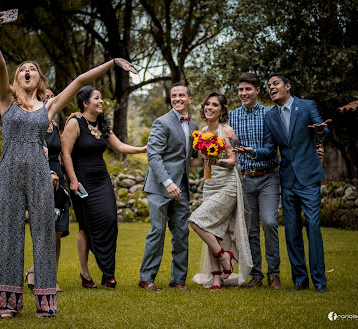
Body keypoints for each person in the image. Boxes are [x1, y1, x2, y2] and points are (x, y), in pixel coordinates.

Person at [0, 11, 137, 318]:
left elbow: (81, 80)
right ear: (17, 78)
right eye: (22, 69)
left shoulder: (49, 106)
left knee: (44, 235)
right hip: (10, 173)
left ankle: (45, 302)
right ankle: (9, 303)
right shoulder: (6, 100)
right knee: (8, 234)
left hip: (41, 174)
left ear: (40, 79)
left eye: (33, 70)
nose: (26, 71)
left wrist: (113, 63)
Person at [237, 73, 331, 293]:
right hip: (287, 179)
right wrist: (252, 152)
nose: (271, 88)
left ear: (288, 86)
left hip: (308, 178)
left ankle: (319, 280)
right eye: (269, 86)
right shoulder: (270, 116)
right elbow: (271, 149)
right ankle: (300, 279)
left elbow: (323, 131)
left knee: (313, 226)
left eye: (275, 84)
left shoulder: (307, 106)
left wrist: (321, 131)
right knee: (291, 230)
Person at [61, 86, 146, 290]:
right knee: (86, 227)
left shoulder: (101, 124)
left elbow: (119, 146)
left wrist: (143, 148)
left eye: (101, 98)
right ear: (85, 103)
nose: (101, 101)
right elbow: (65, 154)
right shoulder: (75, 123)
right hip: (82, 181)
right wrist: (73, 180)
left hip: (101, 180)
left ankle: (108, 271)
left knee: (109, 221)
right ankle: (85, 273)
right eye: (97, 98)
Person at [189, 91, 253, 290]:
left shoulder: (227, 131)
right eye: (207, 104)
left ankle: (225, 256)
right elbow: (199, 162)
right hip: (210, 184)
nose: (209, 107)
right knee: (212, 230)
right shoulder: (200, 132)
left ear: (222, 110)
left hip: (227, 185)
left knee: (196, 221)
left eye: (214, 105)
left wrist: (217, 160)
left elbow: (233, 161)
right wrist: (183, 159)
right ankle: (216, 278)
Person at [139, 83, 199, 291]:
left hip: (181, 188)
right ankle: (146, 278)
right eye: (174, 95)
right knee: (157, 231)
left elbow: (191, 159)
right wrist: (168, 182)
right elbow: (153, 156)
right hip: (160, 186)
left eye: (182, 95)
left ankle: (178, 280)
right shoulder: (161, 122)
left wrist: (213, 156)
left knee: (182, 233)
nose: (177, 98)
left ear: (190, 99)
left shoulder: (194, 127)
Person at [228, 73, 283, 289]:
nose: (243, 93)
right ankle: (257, 275)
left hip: (268, 177)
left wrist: (251, 152)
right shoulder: (231, 117)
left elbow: (272, 150)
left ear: (258, 90)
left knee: (269, 223)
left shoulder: (270, 114)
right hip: (244, 180)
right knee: (250, 230)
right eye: (240, 89)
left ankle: (274, 274)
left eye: (248, 89)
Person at [25, 88, 69, 294]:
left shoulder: (54, 124)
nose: (50, 100)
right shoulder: (34, 123)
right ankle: (41, 275)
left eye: (52, 97)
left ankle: (46, 275)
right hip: (43, 177)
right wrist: (47, 172)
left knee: (58, 230)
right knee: (46, 230)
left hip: (60, 180)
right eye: (46, 97)